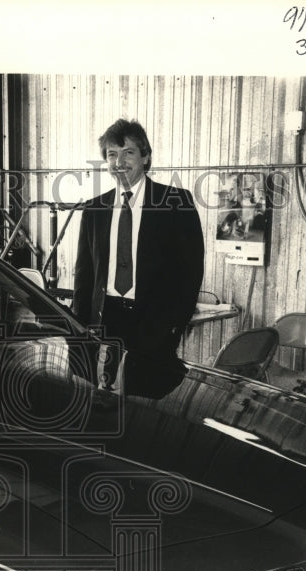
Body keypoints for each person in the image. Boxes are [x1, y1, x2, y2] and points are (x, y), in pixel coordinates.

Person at [72, 119, 205, 387]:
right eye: (112, 154)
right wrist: (80, 324)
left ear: (145, 157)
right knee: (102, 401)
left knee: (147, 402)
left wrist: (173, 325)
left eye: (128, 152)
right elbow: (84, 274)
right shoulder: (94, 209)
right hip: (103, 321)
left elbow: (190, 272)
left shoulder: (176, 203)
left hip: (153, 323)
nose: (119, 161)